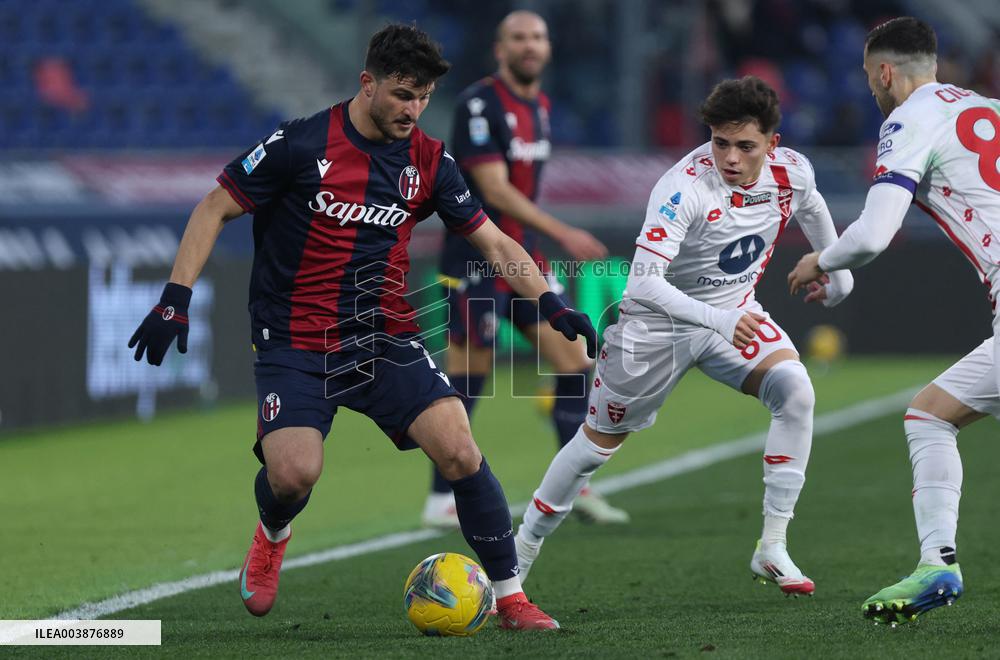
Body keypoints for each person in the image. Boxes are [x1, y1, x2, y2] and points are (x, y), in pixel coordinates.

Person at [127, 24, 599, 631]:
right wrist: (175, 297)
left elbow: (492, 239)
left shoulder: (428, 160)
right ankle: (273, 530)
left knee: (459, 448)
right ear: (367, 83)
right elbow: (214, 206)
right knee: (294, 474)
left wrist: (551, 305)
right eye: (403, 94)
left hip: (382, 336)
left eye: (424, 96)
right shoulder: (300, 144)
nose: (413, 109)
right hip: (294, 338)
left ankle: (511, 598)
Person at [514, 76, 855, 595]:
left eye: (746, 146)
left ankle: (773, 546)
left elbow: (813, 210)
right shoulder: (683, 188)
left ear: (772, 144)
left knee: (796, 391)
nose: (731, 158)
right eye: (720, 142)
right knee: (593, 447)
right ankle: (519, 556)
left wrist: (837, 275)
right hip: (655, 325)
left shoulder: (793, 173)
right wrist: (719, 321)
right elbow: (643, 283)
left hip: (732, 312)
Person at [788, 16, 1000, 626]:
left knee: (929, 419)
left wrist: (818, 260)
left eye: (869, 78)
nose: (872, 91)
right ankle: (937, 562)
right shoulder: (983, 107)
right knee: (930, 412)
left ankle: (939, 563)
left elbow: (875, 233)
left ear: (884, 72)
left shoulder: (908, 118)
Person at [425, 10, 627, 528]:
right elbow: (492, 190)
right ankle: (440, 498)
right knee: (470, 373)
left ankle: (574, 486)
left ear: (548, 47)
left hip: (524, 258)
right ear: (500, 48)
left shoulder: (539, 105)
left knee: (576, 360)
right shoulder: (480, 103)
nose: (530, 45)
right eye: (518, 37)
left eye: (538, 36)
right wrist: (564, 232)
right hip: (475, 256)